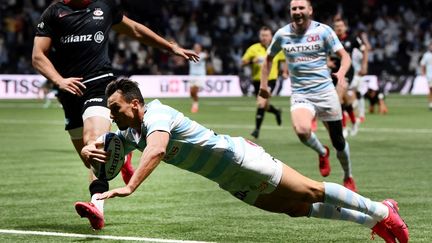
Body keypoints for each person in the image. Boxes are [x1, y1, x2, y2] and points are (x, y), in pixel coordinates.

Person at [81, 78, 408, 243]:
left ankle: (383, 211)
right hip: (228, 180)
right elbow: (106, 148)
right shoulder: (131, 133)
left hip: (243, 160)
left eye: (116, 110)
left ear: (135, 104)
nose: (112, 116)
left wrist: (131, 186)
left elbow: (157, 150)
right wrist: (88, 149)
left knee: (311, 190)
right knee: (295, 209)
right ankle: (371, 222)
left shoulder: (158, 115)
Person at [32, 0, 199, 230]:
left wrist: (171, 47)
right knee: (89, 159)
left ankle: (96, 207)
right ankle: (121, 156)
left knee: (95, 145)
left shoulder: (105, 6)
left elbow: (136, 29)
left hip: (100, 85)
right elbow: (38, 56)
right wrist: (59, 81)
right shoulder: (54, 11)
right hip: (69, 91)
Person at [259, 0, 357, 191]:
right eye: (294, 8)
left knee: (338, 141)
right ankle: (322, 151)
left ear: (310, 10)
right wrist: (264, 85)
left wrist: (342, 72)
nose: (297, 11)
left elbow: (345, 56)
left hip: (325, 92)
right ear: (290, 12)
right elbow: (269, 58)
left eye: (301, 8)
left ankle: (348, 175)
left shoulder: (324, 31)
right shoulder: (282, 34)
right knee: (302, 130)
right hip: (301, 93)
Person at [241, 26, 286, 139]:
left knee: (261, 103)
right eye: (262, 35)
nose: (264, 38)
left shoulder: (276, 47)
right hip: (257, 80)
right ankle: (276, 112)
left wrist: (285, 72)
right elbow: (243, 62)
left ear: (271, 36)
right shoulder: (254, 48)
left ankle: (256, 130)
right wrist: (252, 61)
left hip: (271, 80)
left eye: (266, 35)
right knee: (264, 105)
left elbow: (284, 60)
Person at [329, 17, 370, 137]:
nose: (339, 28)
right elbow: (324, 53)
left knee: (337, 98)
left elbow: (365, 50)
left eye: (341, 26)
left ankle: (343, 127)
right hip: (333, 73)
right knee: (345, 100)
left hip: (346, 72)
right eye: (336, 26)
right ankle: (354, 121)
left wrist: (364, 65)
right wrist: (327, 62)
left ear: (345, 27)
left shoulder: (352, 39)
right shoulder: (330, 39)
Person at [188, 43, 208, 113]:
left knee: (195, 90)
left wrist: (207, 54)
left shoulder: (202, 55)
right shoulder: (190, 53)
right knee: (191, 92)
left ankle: (195, 105)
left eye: (198, 47)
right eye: (195, 47)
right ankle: (194, 102)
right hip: (192, 75)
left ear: (200, 48)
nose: (197, 49)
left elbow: (206, 56)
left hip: (200, 75)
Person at [420, 42, 432, 110]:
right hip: (430, 76)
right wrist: (423, 72)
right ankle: (430, 104)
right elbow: (422, 64)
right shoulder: (426, 55)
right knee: (431, 90)